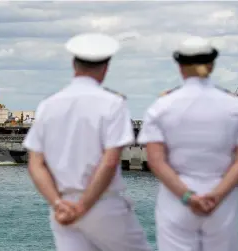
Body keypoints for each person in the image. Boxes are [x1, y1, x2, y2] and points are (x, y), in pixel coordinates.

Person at [23, 33, 151, 251]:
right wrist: (84, 206)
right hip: (102, 204)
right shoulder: (113, 103)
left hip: (62, 206)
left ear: (74, 65)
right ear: (106, 68)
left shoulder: (49, 105)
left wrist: (57, 203)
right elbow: (110, 162)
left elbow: (35, 163)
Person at [137, 36, 238, 251]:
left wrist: (188, 196)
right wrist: (217, 194)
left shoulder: (162, 106)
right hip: (220, 199)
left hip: (177, 200)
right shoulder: (234, 106)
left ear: (180, 65)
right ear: (211, 64)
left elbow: (156, 161)